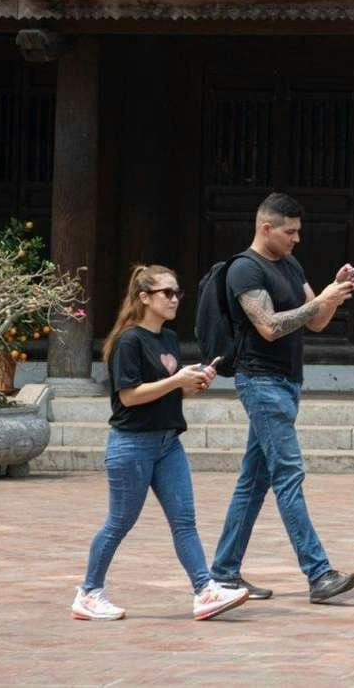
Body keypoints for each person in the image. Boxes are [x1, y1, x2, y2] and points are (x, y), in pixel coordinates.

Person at [73, 264, 251, 622]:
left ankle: (204, 590)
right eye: (166, 293)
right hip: (132, 446)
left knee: (184, 521)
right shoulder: (129, 341)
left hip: (168, 443)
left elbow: (173, 393)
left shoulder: (167, 339)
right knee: (120, 522)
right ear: (144, 298)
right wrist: (175, 382)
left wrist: (195, 383)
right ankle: (89, 592)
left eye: (177, 293)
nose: (174, 300)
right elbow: (129, 397)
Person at [209, 192, 354, 603]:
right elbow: (269, 327)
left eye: (298, 232)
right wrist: (321, 300)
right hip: (260, 382)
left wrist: (334, 291)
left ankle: (223, 574)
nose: (296, 239)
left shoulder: (290, 264)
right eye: (290, 232)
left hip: (288, 383)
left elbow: (316, 321)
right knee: (288, 475)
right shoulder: (245, 269)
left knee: (253, 482)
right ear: (266, 228)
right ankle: (318, 573)